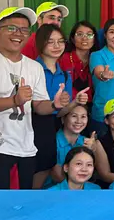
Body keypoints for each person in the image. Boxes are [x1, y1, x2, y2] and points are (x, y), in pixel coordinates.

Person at [0, 7, 69, 190]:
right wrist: (15, 101)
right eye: (11, 28)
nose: (18, 34)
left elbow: (39, 106)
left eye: (24, 30)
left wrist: (54, 105)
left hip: (25, 147)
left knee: (22, 203)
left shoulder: (34, 67)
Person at [33, 24, 88, 189]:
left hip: (50, 127)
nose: (57, 46)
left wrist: (75, 102)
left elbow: (59, 113)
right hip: (29, 127)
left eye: (60, 41)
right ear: (41, 44)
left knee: (46, 171)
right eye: (51, 42)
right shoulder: (31, 69)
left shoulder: (64, 74)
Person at [51, 104, 95, 184]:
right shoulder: (52, 141)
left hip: (79, 188)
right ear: (63, 119)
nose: (79, 121)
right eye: (74, 116)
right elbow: (56, 175)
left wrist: (91, 151)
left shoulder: (87, 142)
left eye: (83, 117)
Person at [60, 21, 99, 106]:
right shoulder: (63, 58)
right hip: (67, 107)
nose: (84, 38)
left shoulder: (98, 59)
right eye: (80, 34)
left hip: (93, 107)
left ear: (94, 39)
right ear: (73, 39)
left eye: (89, 35)